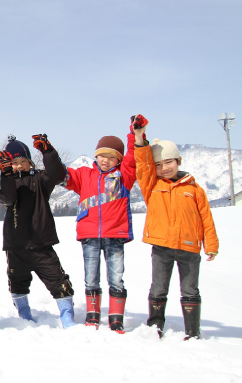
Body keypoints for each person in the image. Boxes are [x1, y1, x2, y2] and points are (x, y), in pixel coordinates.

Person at [132, 115, 219, 339]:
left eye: (168, 162)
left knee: (190, 290)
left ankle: (192, 331)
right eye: (159, 165)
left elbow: (206, 218)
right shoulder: (153, 185)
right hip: (161, 247)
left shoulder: (194, 189)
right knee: (158, 288)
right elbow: (143, 164)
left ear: (178, 160)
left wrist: (211, 245)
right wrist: (140, 137)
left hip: (190, 249)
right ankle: (155, 327)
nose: (164, 168)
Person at [0, 135, 76, 327]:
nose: (20, 166)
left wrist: (48, 152)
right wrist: (6, 174)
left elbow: (57, 174)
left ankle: (67, 315)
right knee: (17, 280)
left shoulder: (40, 179)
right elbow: (7, 197)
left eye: (24, 161)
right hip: (16, 245)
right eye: (15, 163)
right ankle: (24, 313)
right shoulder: (5, 183)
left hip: (42, 243)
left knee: (57, 279)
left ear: (30, 163)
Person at [63, 130, 137, 332]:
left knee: (116, 278)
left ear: (118, 160)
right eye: (103, 155)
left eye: (112, 157)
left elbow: (131, 159)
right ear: (96, 155)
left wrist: (134, 135)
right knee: (91, 277)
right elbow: (62, 174)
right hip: (90, 236)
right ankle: (93, 315)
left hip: (115, 235)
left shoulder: (124, 177)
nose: (106, 160)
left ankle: (116, 318)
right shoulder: (85, 174)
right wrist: (49, 152)